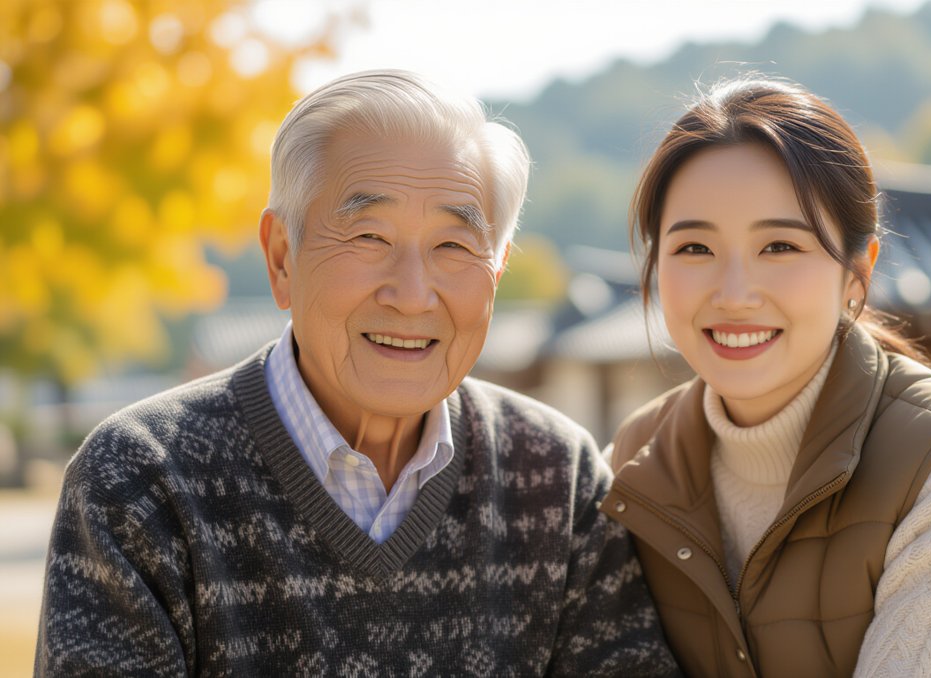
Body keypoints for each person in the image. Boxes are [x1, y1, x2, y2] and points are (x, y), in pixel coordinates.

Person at [36, 69, 678, 676]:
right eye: (368, 237)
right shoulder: (141, 476)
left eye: (453, 246)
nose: (412, 294)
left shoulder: (552, 475)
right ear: (283, 258)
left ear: (498, 270)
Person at [600, 77, 931, 677]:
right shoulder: (636, 461)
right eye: (695, 248)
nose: (734, 295)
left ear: (857, 274)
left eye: (779, 246)